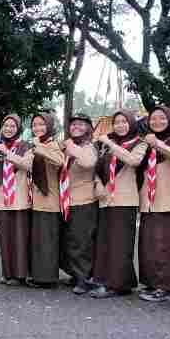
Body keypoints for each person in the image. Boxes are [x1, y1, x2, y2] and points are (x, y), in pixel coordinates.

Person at [89, 111, 148, 298]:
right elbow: (96, 168)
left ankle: (118, 284)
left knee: (121, 243)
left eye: (124, 122)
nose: (120, 125)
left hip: (125, 200)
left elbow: (133, 160)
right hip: (105, 199)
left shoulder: (139, 143)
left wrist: (110, 143)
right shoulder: (106, 144)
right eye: (117, 122)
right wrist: (98, 185)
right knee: (105, 242)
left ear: (131, 123)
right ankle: (105, 280)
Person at [135, 106, 170, 303]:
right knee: (149, 246)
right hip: (148, 201)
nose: (157, 122)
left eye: (162, 118)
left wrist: (157, 144)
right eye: (153, 119)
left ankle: (168, 287)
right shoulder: (145, 142)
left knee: (167, 247)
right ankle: (153, 283)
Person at [0, 114, 32, 286]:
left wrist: (7, 153)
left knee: (20, 239)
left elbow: (27, 165)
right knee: (4, 239)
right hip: (0, 200)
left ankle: (20, 274)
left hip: (19, 200)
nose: (8, 129)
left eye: (12, 126)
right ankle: (8, 274)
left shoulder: (25, 146)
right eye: (6, 125)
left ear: (18, 129)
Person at [59, 113, 98, 295]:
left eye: (81, 124)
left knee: (81, 242)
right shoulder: (69, 146)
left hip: (84, 201)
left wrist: (70, 146)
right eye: (73, 124)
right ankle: (76, 274)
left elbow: (88, 162)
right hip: (67, 200)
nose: (76, 127)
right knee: (70, 240)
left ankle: (84, 278)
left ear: (88, 128)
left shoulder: (89, 146)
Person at [28, 111, 65, 287]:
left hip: (49, 200)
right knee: (39, 241)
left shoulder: (52, 144)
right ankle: (39, 276)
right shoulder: (36, 145)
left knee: (47, 241)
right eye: (34, 125)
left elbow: (59, 161)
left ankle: (47, 279)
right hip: (35, 200)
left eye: (42, 124)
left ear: (49, 126)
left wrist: (39, 147)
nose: (38, 128)